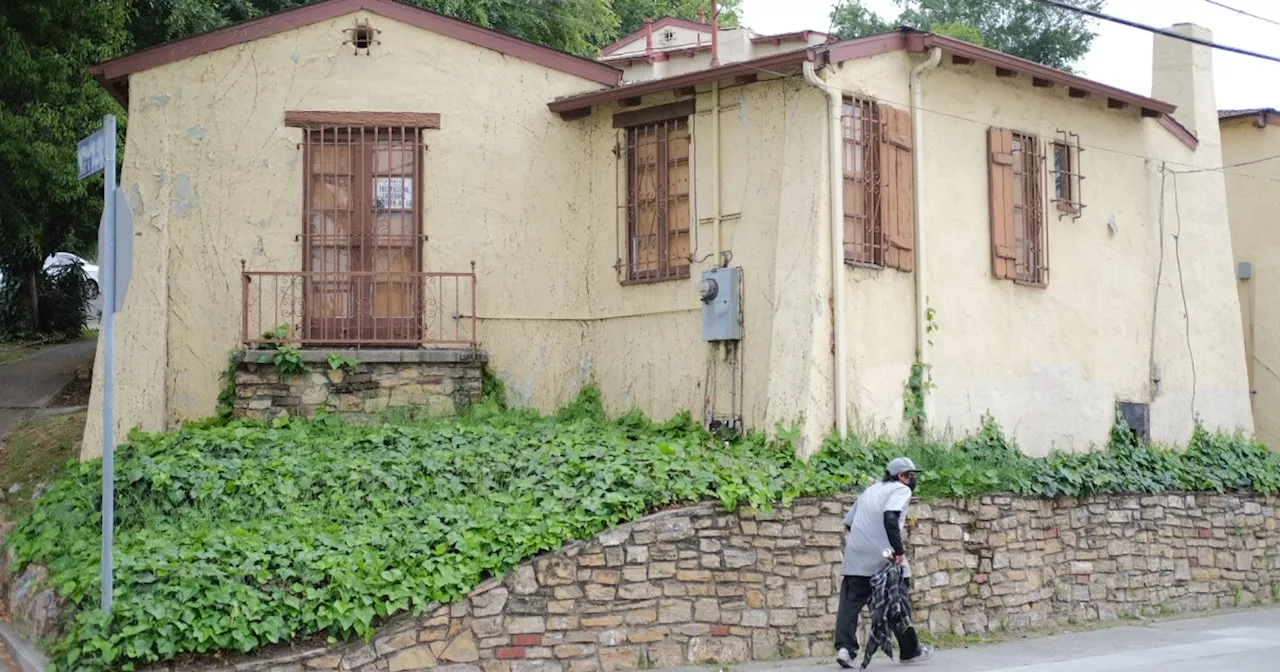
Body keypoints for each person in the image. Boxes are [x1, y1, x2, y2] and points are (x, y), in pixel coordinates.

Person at [835, 457, 934, 667]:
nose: (913, 480)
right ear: (901, 476)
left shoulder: (870, 490)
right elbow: (890, 517)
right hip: (885, 552)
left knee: (850, 602)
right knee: (897, 597)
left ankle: (845, 649)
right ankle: (910, 650)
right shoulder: (900, 490)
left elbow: (850, 522)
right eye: (911, 475)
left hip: (856, 552)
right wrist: (897, 552)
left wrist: (865, 543)